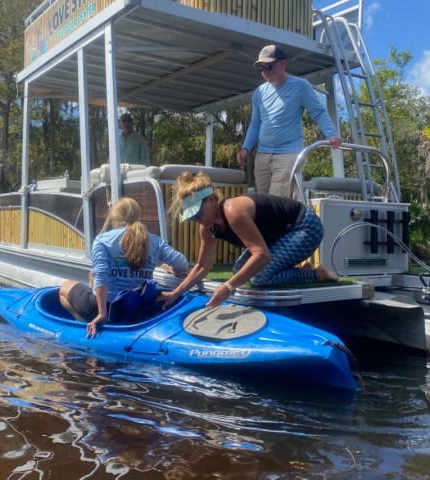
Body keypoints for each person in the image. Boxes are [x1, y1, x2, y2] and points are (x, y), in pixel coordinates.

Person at [159, 172, 338, 310]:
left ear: (212, 200)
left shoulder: (232, 210)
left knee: (259, 276)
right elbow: (202, 266)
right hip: (279, 235)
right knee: (239, 269)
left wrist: (228, 287)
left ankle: (317, 274)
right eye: (192, 217)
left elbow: (262, 255)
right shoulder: (208, 227)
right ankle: (300, 271)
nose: (197, 219)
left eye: (198, 212)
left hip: (305, 227)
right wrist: (176, 293)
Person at [59, 197, 189, 337]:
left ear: (115, 219)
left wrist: (102, 314)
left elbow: (102, 277)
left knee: (64, 288)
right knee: (92, 275)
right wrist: (169, 266)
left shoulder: (102, 241)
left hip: (109, 308)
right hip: (138, 306)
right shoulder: (155, 241)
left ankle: (86, 324)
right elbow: (183, 264)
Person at [236, 45, 343, 198]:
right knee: (263, 204)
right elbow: (255, 123)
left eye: (269, 66)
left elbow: (318, 112)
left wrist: (332, 134)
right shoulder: (259, 93)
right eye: (261, 68)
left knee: (277, 203)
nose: (265, 72)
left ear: (283, 64)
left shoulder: (300, 86)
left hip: (288, 154)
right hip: (262, 155)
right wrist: (245, 148)